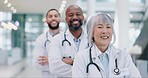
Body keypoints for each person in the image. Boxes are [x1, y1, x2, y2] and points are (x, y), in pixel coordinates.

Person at [72, 13, 141, 78]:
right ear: (91, 32)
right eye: (100, 27)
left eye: (108, 27)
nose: (105, 31)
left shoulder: (123, 56)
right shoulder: (81, 57)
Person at [48, 5, 88, 77]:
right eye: (70, 15)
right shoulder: (56, 40)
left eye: (78, 14)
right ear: (66, 19)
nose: (75, 17)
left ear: (83, 17)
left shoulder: (92, 39)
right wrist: (84, 68)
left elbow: (96, 66)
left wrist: (72, 61)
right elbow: (54, 68)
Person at [32, 9, 61, 78]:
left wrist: (50, 61)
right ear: (46, 20)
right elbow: (38, 63)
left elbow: (71, 62)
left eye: (56, 16)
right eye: (50, 16)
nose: (53, 18)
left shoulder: (67, 38)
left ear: (60, 19)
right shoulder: (40, 39)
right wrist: (61, 62)